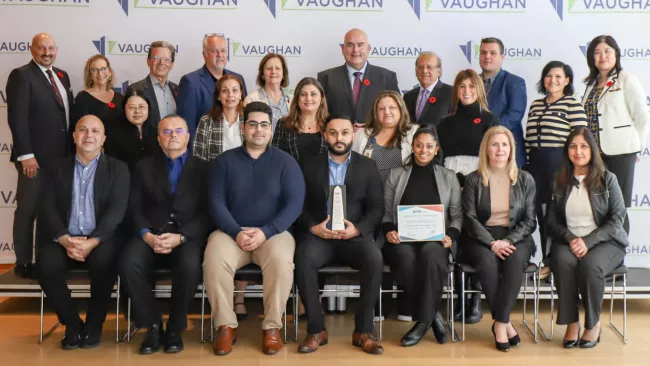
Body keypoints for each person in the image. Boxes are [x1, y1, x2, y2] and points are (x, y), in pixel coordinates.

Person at [205, 102, 305, 356]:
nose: (258, 130)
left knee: (282, 262)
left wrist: (266, 232)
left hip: (273, 233)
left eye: (264, 125)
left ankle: (272, 327)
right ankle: (225, 327)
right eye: (252, 124)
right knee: (214, 260)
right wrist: (236, 231)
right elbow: (215, 202)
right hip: (230, 232)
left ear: (271, 130)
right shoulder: (223, 162)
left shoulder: (286, 163)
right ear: (243, 127)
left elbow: (294, 205)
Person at [37, 115, 129, 349]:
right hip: (63, 237)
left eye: (95, 131)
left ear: (103, 138)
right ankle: (72, 324)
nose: (89, 136)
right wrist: (65, 240)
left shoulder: (118, 169)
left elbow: (116, 210)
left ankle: (94, 324)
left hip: (100, 238)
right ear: (74, 136)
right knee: (46, 267)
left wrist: (93, 241)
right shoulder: (55, 168)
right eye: (83, 130)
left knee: (105, 262)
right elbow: (46, 206)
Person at [120, 115, 210, 355]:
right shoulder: (143, 166)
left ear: (188, 137)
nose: (173, 136)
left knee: (190, 267)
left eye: (179, 131)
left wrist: (181, 237)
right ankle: (151, 324)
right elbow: (134, 208)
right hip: (150, 235)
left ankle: (174, 328)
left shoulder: (204, 168)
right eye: (167, 132)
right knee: (129, 263)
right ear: (159, 138)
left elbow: (207, 213)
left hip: (186, 236)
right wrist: (146, 235)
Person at [295, 115, 384, 355]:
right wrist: (313, 228)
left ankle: (363, 331)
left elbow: (377, 208)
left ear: (352, 135)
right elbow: (296, 206)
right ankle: (316, 330)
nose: (339, 138)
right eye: (333, 133)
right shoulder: (308, 164)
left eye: (344, 133)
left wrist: (358, 229)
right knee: (303, 259)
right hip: (319, 235)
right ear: (325, 135)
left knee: (374, 260)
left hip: (354, 236)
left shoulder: (367, 166)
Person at [546, 127, 627, 349]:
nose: (578, 151)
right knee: (562, 262)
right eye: (573, 146)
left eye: (583, 146)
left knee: (590, 266)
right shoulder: (560, 180)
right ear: (567, 151)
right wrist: (571, 238)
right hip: (569, 239)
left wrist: (587, 242)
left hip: (605, 241)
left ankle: (593, 324)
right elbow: (551, 221)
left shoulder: (607, 179)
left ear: (592, 150)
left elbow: (617, 218)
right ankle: (572, 323)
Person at [382, 126, 462, 347]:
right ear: (413, 147)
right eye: (419, 145)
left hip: (436, 239)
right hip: (402, 239)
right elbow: (386, 213)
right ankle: (432, 316)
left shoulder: (449, 177)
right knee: (404, 257)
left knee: (430, 254)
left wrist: (451, 236)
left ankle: (422, 322)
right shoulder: (396, 175)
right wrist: (389, 230)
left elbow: (456, 216)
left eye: (429, 146)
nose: (423, 150)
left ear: (436, 149)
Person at [460, 126, 536, 352]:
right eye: (494, 144)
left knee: (514, 262)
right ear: (486, 149)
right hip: (480, 237)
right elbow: (469, 218)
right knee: (486, 262)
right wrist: (492, 243)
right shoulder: (474, 179)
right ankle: (505, 323)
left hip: (516, 237)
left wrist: (509, 241)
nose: (500, 149)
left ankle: (500, 324)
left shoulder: (525, 179)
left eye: (504, 144)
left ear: (512, 149)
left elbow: (530, 220)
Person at [6, 32, 74, 278]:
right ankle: (23, 262)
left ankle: (49, 260)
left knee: (54, 211)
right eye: (42, 48)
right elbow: (17, 117)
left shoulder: (62, 76)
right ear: (32, 49)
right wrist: (26, 155)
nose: (47, 52)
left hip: (62, 159)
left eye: (51, 48)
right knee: (28, 209)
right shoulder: (22, 76)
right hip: (34, 160)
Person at [581, 35, 650, 234]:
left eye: (607, 51)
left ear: (616, 54)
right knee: (596, 206)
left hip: (621, 151)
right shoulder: (590, 84)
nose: (602, 56)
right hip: (594, 155)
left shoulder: (626, 79)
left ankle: (618, 257)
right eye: (597, 52)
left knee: (618, 207)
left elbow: (642, 116)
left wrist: (638, 146)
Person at [524, 61, 587, 277]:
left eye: (559, 76)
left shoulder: (572, 104)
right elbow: (528, 139)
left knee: (560, 217)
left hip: (560, 166)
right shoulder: (535, 105)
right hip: (536, 167)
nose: (553, 80)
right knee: (543, 218)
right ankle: (548, 260)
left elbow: (581, 140)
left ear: (567, 80)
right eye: (549, 76)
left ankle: (562, 262)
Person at [318, 28, 399, 131]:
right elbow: (319, 115)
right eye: (350, 45)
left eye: (360, 45)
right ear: (343, 49)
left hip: (376, 141)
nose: (355, 50)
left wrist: (370, 128)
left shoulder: (387, 78)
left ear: (368, 49)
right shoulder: (325, 78)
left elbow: (397, 115)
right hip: (337, 142)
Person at [177, 34, 247, 137]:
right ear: (204, 55)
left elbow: (245, 117)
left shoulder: (238, 79)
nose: (220, 55)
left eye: (223, 51)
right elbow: (187, 128)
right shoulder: (190, 82)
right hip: (206, 149)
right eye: (214, 51)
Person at [438, 69, 498, 187]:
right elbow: (439, 156)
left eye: (471, 86)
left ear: (479, 89)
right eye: (462, 86)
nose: (467, 91)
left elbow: (495, 155)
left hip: (480, 181)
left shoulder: (490, 119)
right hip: (449, 180)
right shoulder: (444, 122)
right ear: (456, 90)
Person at [352, 90, 417, 186]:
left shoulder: (413, 133)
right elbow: (354, 168)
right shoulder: (361, 134)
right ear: (375, 112)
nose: (386, 112)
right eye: (381, 109)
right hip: (368, 196)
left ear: (401, 110)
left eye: (392, 107)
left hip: (400, 196)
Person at [479, 37, 527, 167]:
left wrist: (486, 134)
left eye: (493, 53)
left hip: (508, 154)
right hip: (479, 155)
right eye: (483, 52)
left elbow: (514, 115)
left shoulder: (515, 82)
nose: (487, 56)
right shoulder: (472, 83)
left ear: (502, 57)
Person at [271, 77, 328, 162]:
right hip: (291, 175)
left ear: (321, 98)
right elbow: (275, 158)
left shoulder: (330, 124)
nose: (308, 98)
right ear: (297, 99)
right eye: (303, 94)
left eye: (313, 94)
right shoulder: (283, 124)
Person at [103, 88, 160, 173]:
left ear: (149, 108)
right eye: (132, 107)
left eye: (141, 107)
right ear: (124, 109)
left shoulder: (157, 132)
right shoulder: (113, 135)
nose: (137, 111)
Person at [192, 74, 245, 162]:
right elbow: (198, 157)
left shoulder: (248, 121)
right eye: (225, 91)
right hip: (215, 174)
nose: (230, 95)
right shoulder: (206, 121)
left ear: (241, 94)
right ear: (218, 96)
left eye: (235, 90)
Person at [126, 41, 179, 128]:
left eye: (166, 59)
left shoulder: (177, 89)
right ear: (148, 61)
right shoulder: (135, 89)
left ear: (171, 64)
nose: (162, 63)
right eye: (156, 58)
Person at [72, 54, 124, 132]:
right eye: (95, 70)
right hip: (94, 143)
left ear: (109, 72)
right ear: (90, 75)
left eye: (103, 68)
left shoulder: (120, 97)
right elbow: (79, 129)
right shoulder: (82, 98)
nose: (100, 73)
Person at [244, 53, 293, 132]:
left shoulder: (293, 100)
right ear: (262, 74)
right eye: (269, 68)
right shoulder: (251, 99)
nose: (273, 71)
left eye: (277, 68)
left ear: (283, 74)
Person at [403, 52, 452, 127]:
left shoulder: (451, 93)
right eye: (420, 67)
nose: (424, 71)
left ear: (439, 71)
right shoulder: (408, 97)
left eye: (429, 67)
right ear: (416, 71)